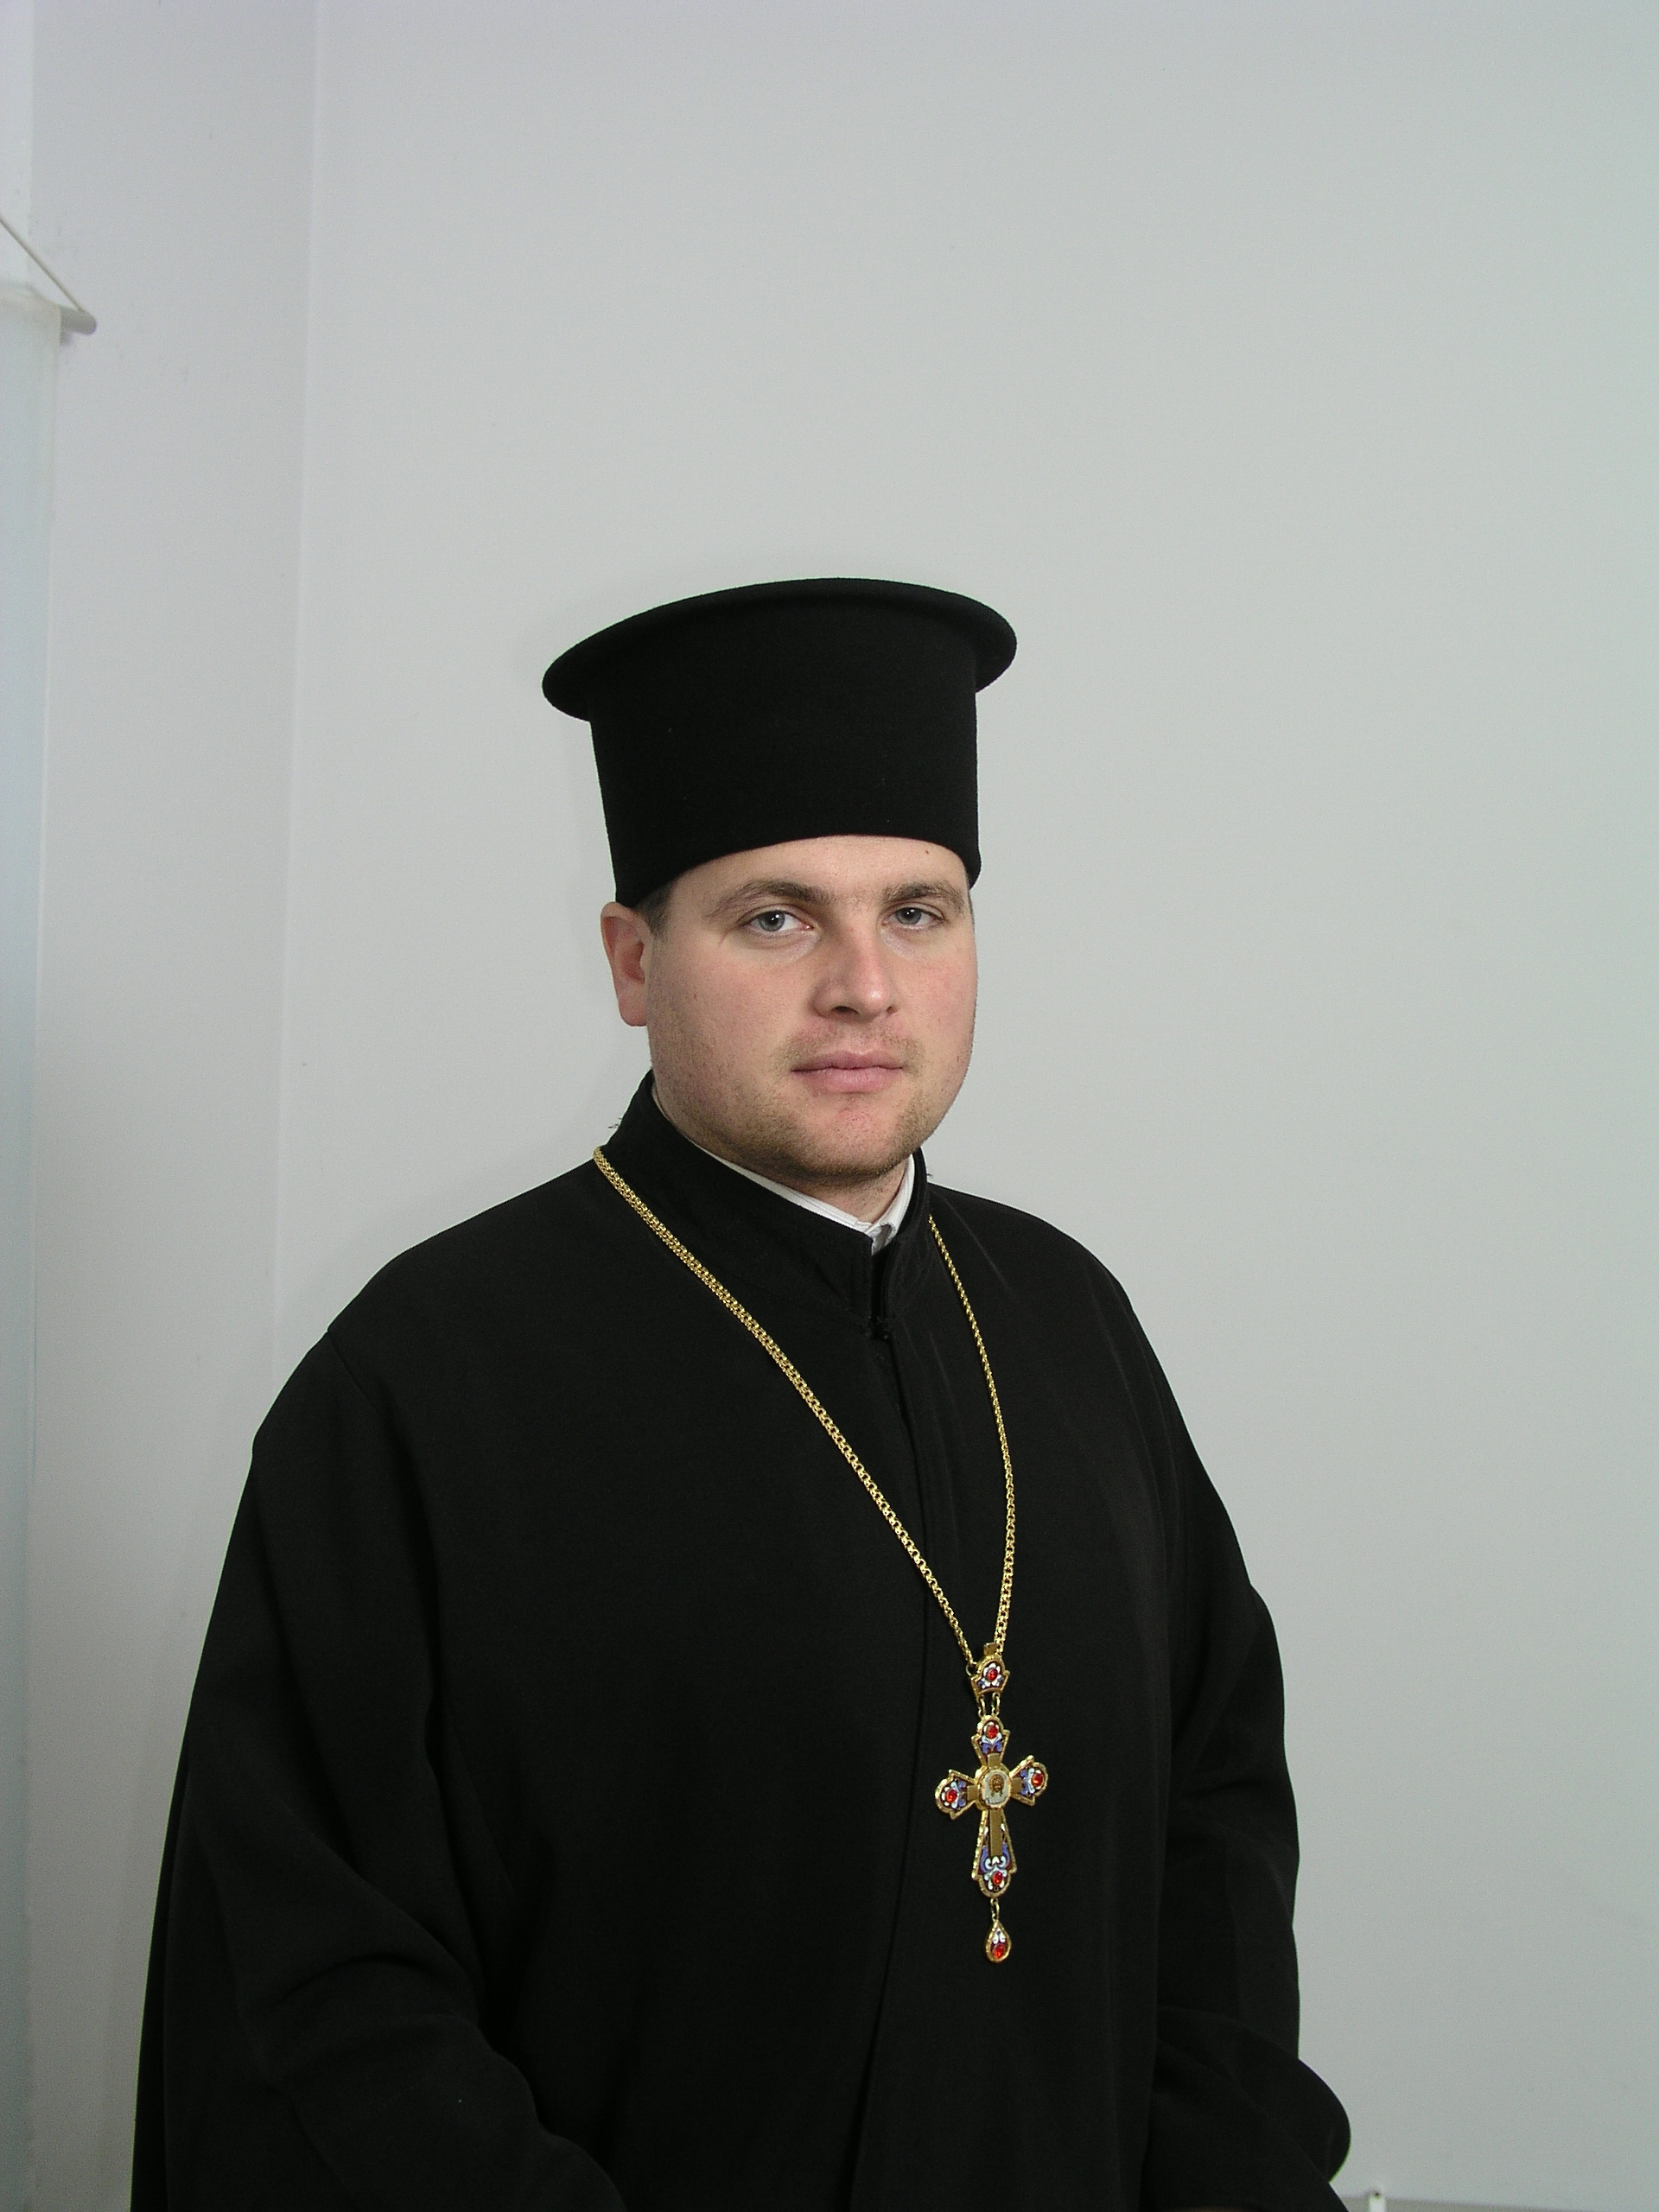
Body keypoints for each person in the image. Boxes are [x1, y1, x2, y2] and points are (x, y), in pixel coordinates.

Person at [131, 579, 1350, 2210]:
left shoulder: (1066, 1318)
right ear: (634, 962)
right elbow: (323, 1980)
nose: (864, 985)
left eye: (918, 912)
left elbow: (1217, 1819)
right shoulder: (422, 1383)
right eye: (776, 918)